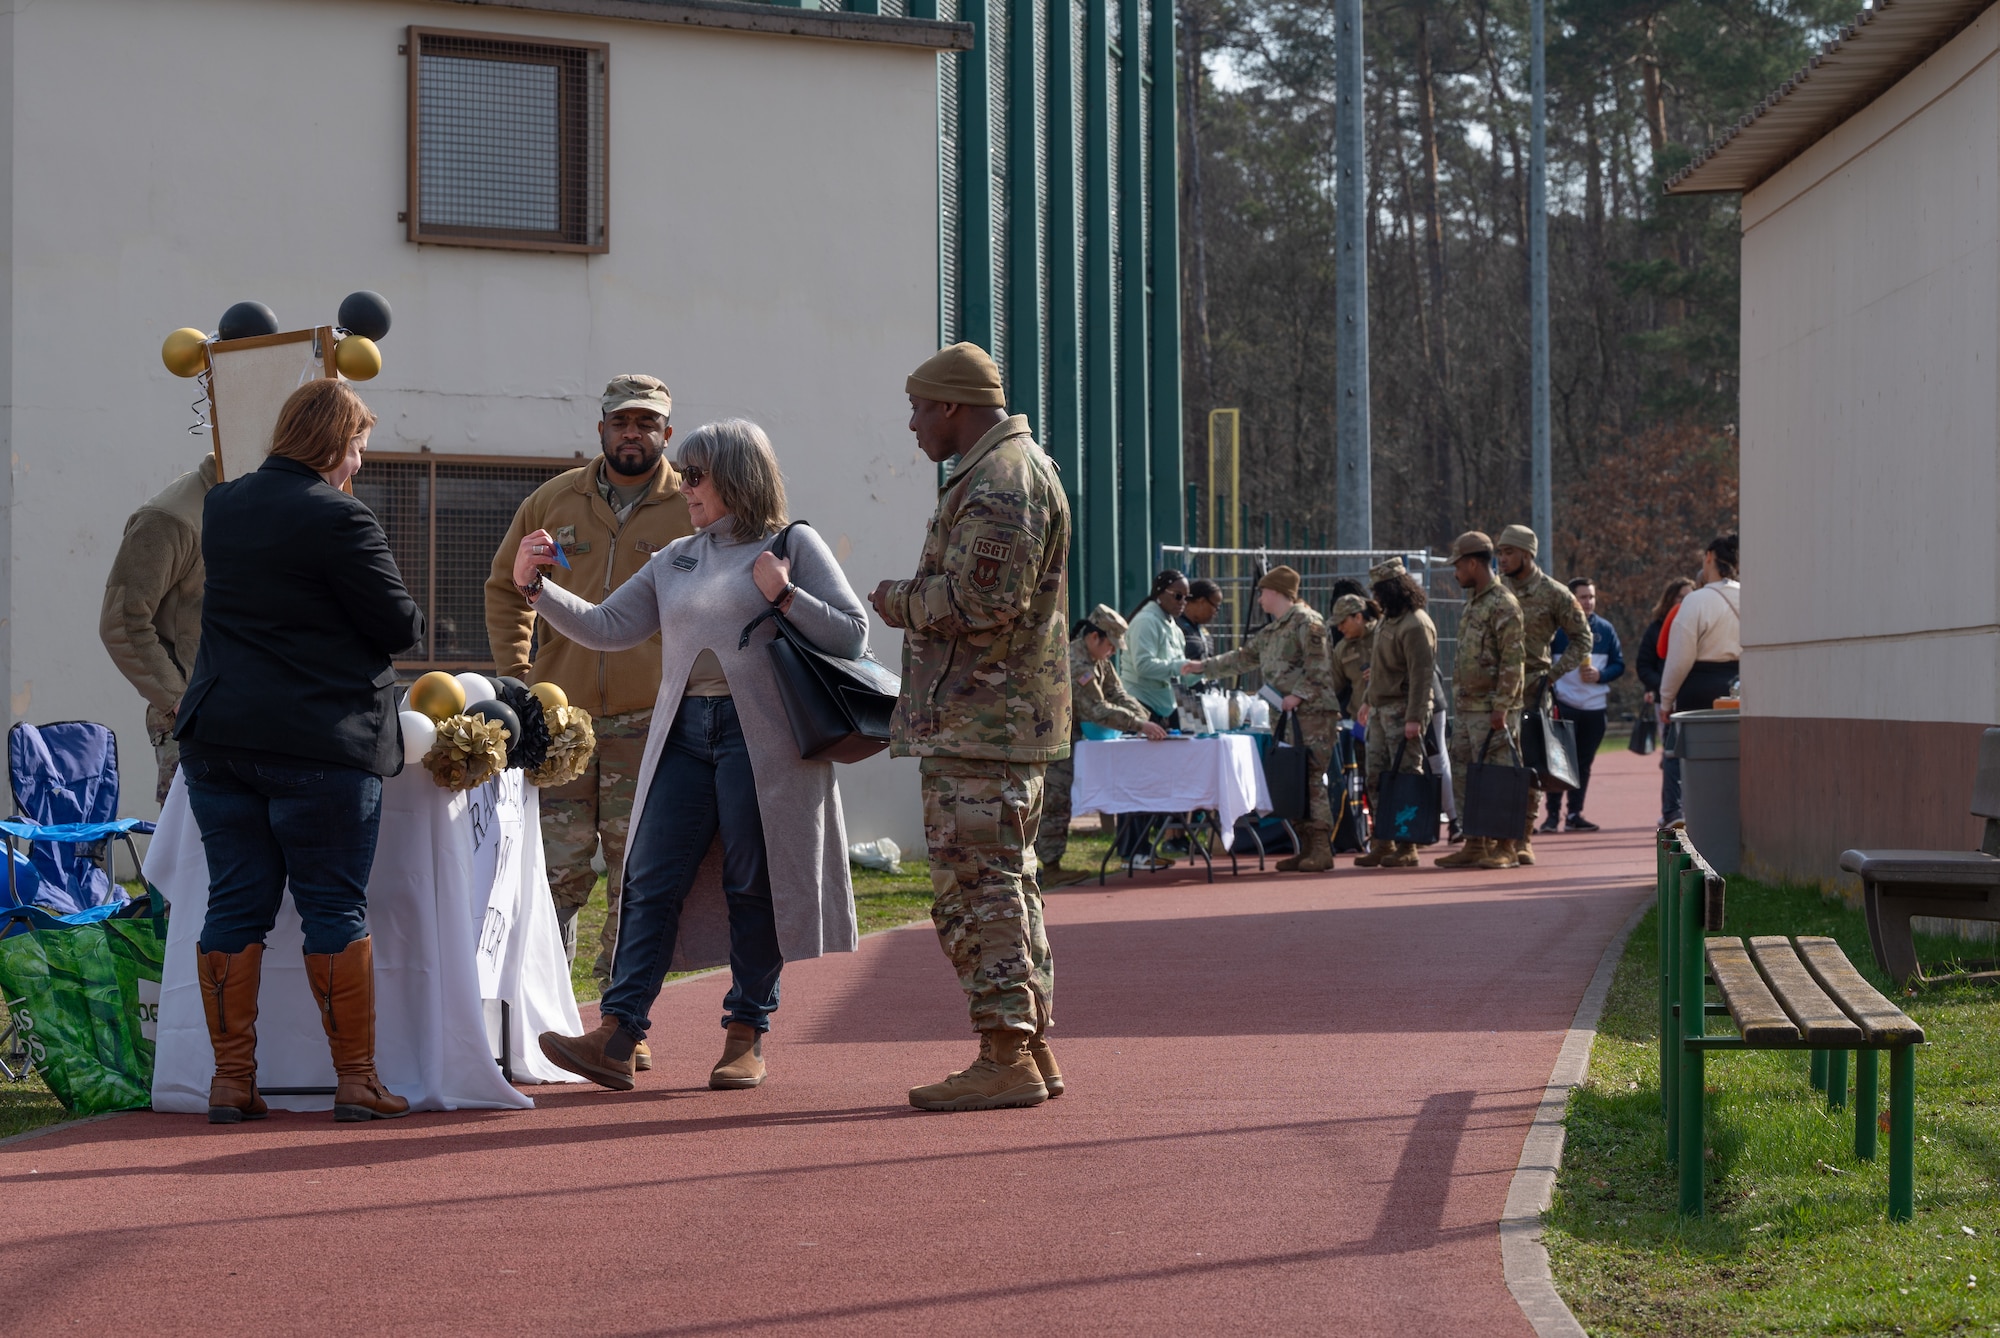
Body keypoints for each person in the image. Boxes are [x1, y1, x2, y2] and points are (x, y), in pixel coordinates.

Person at [521, 419, 868, 1093]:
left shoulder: (790, 544)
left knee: (751, 885)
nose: (684, 486)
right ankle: (618, 1035)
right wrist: (537, 592)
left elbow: (853, 636)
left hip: (759, 737)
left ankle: (746, 1033)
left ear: (738, 474)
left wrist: (786, 595)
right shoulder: (678, 555)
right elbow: (607, 627)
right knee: (648, 879)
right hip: (681, 733)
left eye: (697, 474)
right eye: (683, 475)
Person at [173, 379, 425, 1124]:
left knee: (235, 904)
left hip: (218, 736)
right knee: (333, 906)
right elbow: (399, 625)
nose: (359, 464)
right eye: (357, 450)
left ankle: (230, 1082)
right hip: (320, 739)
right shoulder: (340, 517)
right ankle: (356, 1081)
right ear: (335, 445)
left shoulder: (224, 504)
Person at [870, 342, 1071, 1113]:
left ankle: (1005, 1051)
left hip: (983, 725)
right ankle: (1027, 1044)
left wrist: (896, 599)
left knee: (979, 890)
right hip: (988, 723)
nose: (915, 425)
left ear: (952, 406)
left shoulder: (1001, 480)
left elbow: (984, 602)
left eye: (921, 409)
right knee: (1007, 886)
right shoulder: (1003, 471)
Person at [486, 375, 695, 1002]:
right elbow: (506, 587)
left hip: (653, 721)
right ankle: (541, 1007)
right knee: (552, 873)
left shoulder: (694, 503)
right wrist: (520, 682)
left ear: (667, 432)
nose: (633, 433)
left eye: (646, 423)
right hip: (561, 720)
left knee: (639, 873)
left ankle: (619, 1015)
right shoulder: (554, 500)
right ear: (600, 427)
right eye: (621, 422)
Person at [1184, 565, 1338, 872]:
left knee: (1311, 777)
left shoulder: (1308, 623)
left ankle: (1320, 848)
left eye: (1264, 592)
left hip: (1312, 714)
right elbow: (1242, 658)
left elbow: (1320, 667)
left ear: (1279, 593)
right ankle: (1305, 847)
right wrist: (1203, 667)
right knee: (1292, 778)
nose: (1260, 599)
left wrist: (1298, 695)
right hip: (1284, 715)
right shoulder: (1272, 631)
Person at [100, 454, 217, 803]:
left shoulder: (262, 507)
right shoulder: (171, 518)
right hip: (196, 728)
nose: (358, 464)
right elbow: (122, 621)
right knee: (193, 852)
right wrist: (179, 700)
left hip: (247, 723)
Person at [1037, 605, 1167, 887]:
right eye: (1111, 645)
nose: (1113, 651)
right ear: (1094, 637)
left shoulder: (1098, 660)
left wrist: (1147, 719)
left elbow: (1116, 693)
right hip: (1049, 738)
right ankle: (1050, 867)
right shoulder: (1077, 664)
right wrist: (1140, 725)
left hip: (1067, 738)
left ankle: (1049, 865)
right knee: (1054, 802)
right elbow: (1096, 709)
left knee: (1059, 801)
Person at [1495, 524, 1590, 867]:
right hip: (1494, 690)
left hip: (1533, 690)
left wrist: (1552, 675)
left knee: (1530, 763)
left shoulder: (1555, 593)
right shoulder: (1495, 589)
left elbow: (1582, 638)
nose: (1502, 559)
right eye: (1499, 553)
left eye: (1508, 553)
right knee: (1496, 764)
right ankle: (1494, 838)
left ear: (1526, 554)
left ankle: (1523, 837)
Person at [1435, 532, 1525, 871]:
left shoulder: (1503, 603)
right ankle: (1475, 842)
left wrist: (1502, 706)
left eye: (1458, 565)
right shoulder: (1474, 601)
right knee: (1464, 774)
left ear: (1473, 563)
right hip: (1467, 708)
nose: (1455, 573)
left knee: (1500, 776)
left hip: (1492, 711)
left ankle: (1506, 846)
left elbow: (1512, 660)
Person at [1355, 557, 1436, 868]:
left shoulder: (1416, 624)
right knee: (1376, 778)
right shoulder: (1388, 620)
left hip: (1403, 710)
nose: (1375, 598)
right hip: (1380, 709)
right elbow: (1377, 669)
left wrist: (1414, 717)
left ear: (1394, 590)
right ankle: (1382, 840)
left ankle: (1407, 844)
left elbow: (1422, 675)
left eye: (1379, 591)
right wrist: (1367, 699)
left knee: (1405, 778)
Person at [1543, 577, 1625, 833]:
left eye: (1591, 597)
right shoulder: (1557, 630)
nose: (1588, 602)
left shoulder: (1605, 629)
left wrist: (1601, 675)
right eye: (1582, 597)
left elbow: (1619, 664)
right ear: (1571, 599)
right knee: (1558, 763)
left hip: (1594, 707)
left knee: (1584, 763)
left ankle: (1574, 814)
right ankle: (1551, 816)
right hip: (1563, 705)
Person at [1662, 532, 1741, 715]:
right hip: (1743, 687)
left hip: (1701, 690)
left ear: (1709, 557)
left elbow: (1679, 660)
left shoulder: (1695, 601)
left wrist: (1666, 700)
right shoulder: (1750, 596)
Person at [1638, 577, 1696, 824]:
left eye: (1690, 596)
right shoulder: (1657, 628)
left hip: (1693, 695)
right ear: (1670, 599)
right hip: (1667, 699)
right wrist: (1661, 685)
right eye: (1681, 597)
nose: (1686, 601)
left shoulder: (1697, 623)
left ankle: (1686, 806)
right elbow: (1644, 664)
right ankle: (1672, 809)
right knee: (1673, 753)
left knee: (1687, 755)